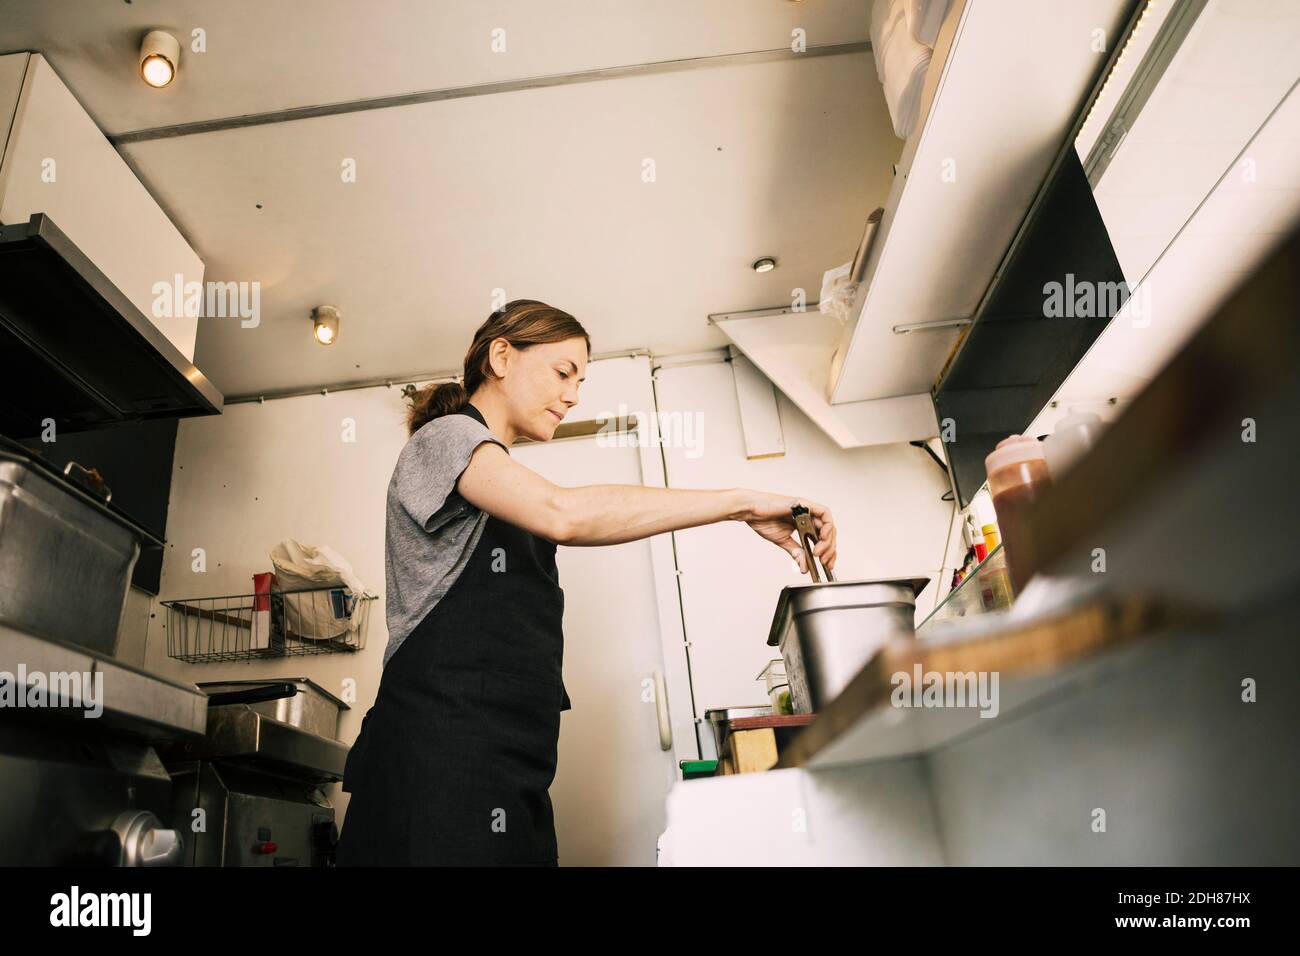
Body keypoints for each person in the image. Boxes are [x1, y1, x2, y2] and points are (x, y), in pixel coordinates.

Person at [334, 299, 836, 866]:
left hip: (506, 757)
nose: (574, 394)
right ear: (501, 356)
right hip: (440, 753)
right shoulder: (445, 438)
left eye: (582, 379)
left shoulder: (500, 477)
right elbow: (565, 514)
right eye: (562, 372)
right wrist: (742, 503)